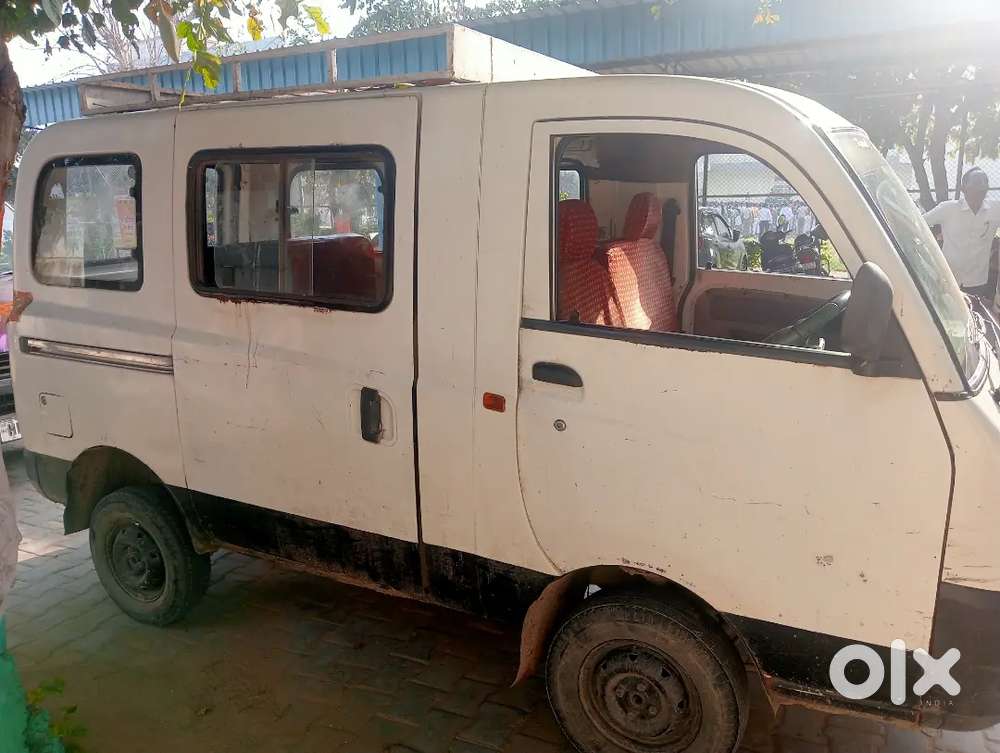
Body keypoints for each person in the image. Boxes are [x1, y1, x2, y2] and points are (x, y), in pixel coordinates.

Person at [923, 168, 1000, 300]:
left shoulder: (995, 209)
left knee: (972, 312)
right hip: (947, 277)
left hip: (977, 281)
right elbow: (918, 222)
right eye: (977, 182)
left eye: (985, 182)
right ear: (963, 188)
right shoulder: (948, 209)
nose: (981, 186)